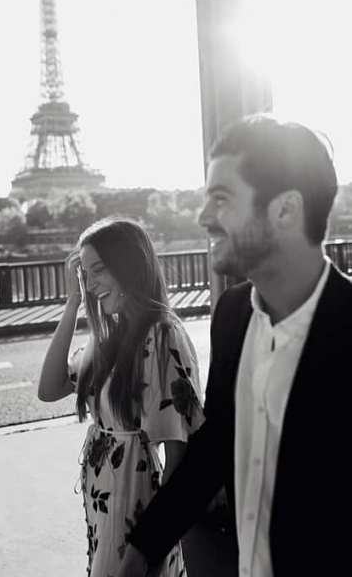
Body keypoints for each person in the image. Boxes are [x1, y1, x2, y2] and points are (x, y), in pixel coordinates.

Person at [117, 114, 350, 577]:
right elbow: (218, 442)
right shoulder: (232, 313)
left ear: (285, 210)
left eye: (220, 199)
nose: (202, 217)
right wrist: (145, 547)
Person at [38, 216, 205, 577]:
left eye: (99, 269)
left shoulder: (163, 335)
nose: (92, 284)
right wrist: (71, 305)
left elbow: (181, 453)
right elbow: (49, 389)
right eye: (86, 273)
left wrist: (149, 542)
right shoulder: (110, 336)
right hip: (103, 497)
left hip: (134, 500)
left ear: (128, 265)